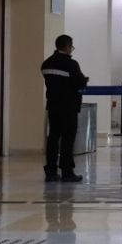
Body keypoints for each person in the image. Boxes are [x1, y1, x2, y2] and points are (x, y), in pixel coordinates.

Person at [42, 34, 89, 183]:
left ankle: (51, 171)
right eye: (71, 47)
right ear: (68, 47)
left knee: (53, 138)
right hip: (68, 107)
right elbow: (79, 82)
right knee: (68, 139)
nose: (71, 50)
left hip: (53, 106)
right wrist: (85, 80)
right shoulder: (71, 64)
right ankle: (67, 172)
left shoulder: (46, 63)